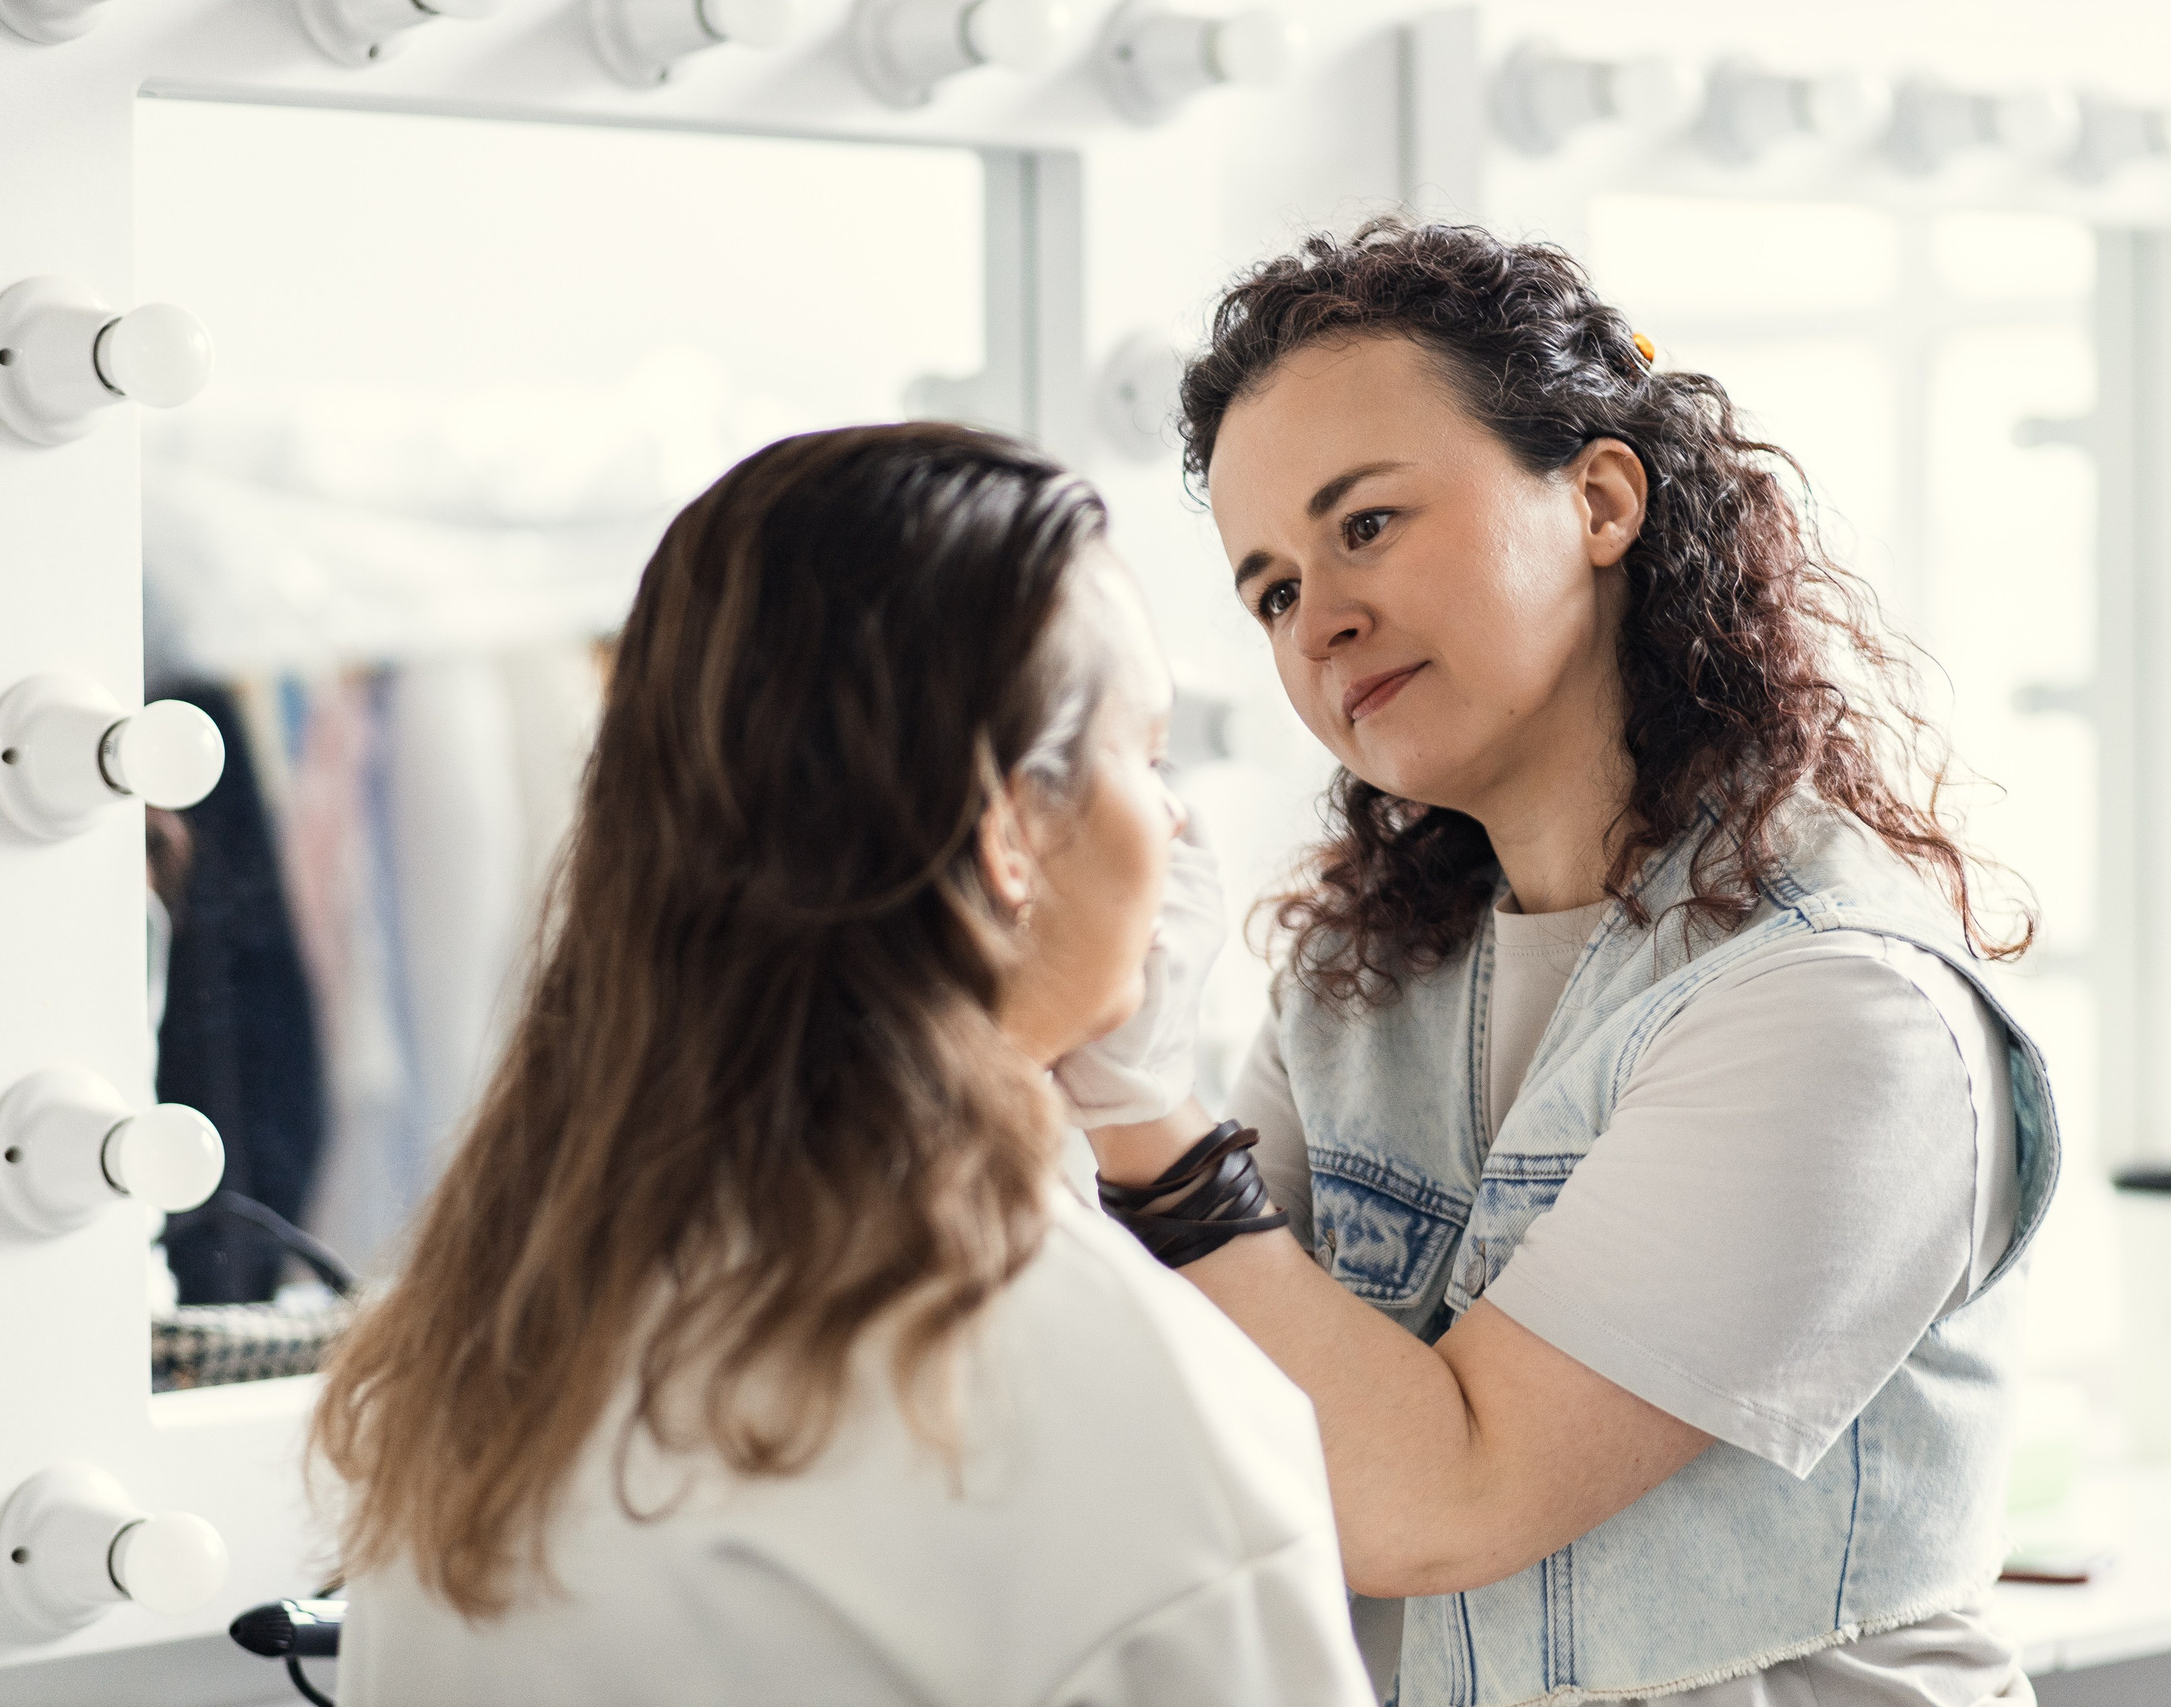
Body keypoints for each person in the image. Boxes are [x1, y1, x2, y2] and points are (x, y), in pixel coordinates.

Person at [1070, 220, 2062, 1706]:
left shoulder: (1836, 1001)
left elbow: (1450, 1495)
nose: (1321, 617)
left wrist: (1139, 1109)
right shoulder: (1357, 985)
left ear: (1600, 498)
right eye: (1271, 589)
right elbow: (1175, 1411)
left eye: (1369, 523)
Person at [313, 423, 1376, 1707]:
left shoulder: (488, 1336)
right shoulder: (1128, 1411)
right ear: (1008, 832)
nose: (1178, 823)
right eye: (1144, 760)